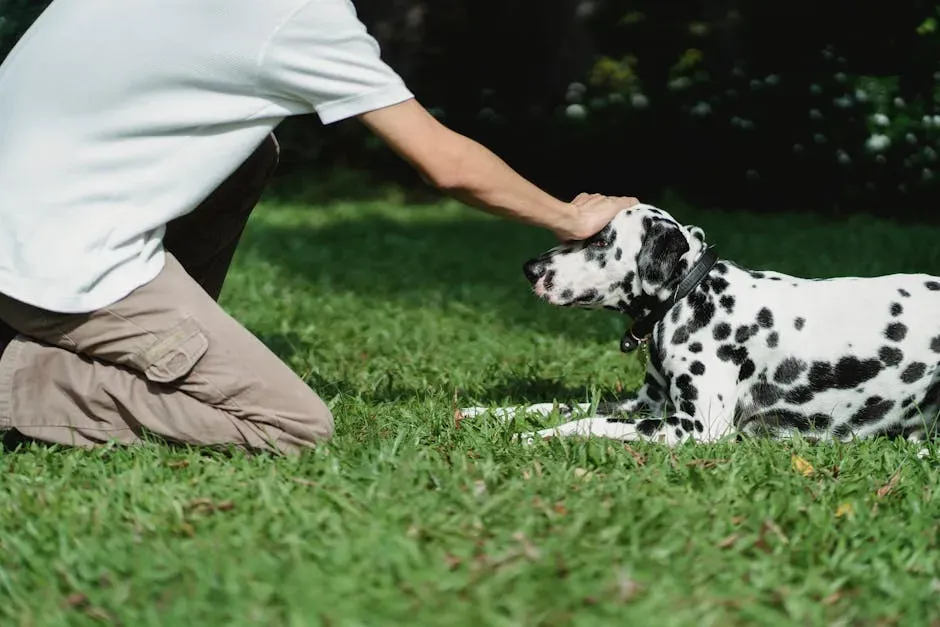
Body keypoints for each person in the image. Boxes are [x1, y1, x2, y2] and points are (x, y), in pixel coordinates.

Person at [0, 0, 638, 454]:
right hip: (56, 261)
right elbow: (447, 165)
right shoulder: (299, 15)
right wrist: (569, 217)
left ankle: (127, 345)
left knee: (251, 151)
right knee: (289, 425)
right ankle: (16, 377)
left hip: (23, 226)